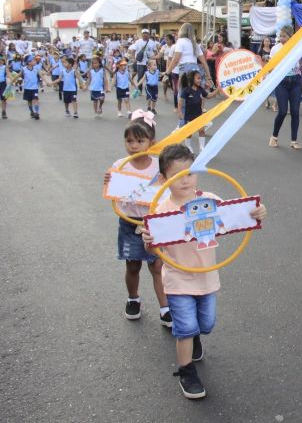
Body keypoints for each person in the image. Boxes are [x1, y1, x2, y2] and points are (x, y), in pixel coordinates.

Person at [141, 143, 267, 399]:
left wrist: (256, 212)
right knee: (185, 327)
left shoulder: (208, 201)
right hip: (177, 279)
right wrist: (148, 240)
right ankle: (186, 371)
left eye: (190, 173)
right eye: (178, 176)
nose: (186, 180)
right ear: (164, 179)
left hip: (207, 276)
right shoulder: (161, 210)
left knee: (206, 323)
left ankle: (195, 336)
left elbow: (237, 215)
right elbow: (155, 249)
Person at [103, 114, 171, 327]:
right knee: (132, 265)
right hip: (129, 222)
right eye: (129, 141)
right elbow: (113, 190)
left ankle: (165, 308)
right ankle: (133, 298)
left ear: (152, 142)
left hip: (154, 222)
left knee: (158, 266)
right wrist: (108, 181)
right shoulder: (121, 165)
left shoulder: (159, 165)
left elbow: (169, 188)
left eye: (140, 141)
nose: (134, 146)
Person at [178, 70, 220, 153]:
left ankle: (202, 147)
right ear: (192, 79)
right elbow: (180, 103)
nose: (200, 80)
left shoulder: (200, 89)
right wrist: (180, 113)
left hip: (198, 115)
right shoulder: (186, 90)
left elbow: (209, 96)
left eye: (200, 78)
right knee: (189, 133)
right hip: (189, 116)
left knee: (201, 130)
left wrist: (218, 89)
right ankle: (188, 146)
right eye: (198, 78)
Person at [21, 55, 41, 119]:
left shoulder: (36, 69)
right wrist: (12, 81)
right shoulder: (24, 69)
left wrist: (47, 82)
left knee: (36, 99)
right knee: (29, 101)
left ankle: (37, 113)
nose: (35, 61)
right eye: (33, 60)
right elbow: (18, 75)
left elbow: (41, 75)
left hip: (35, 88)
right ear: (29, 62)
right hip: (27, 88)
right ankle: (32, 111)